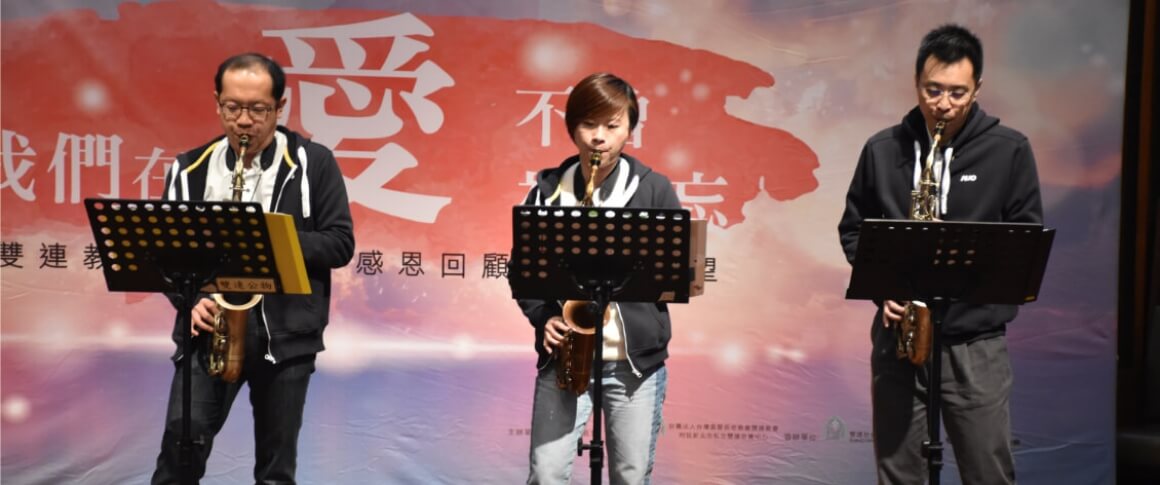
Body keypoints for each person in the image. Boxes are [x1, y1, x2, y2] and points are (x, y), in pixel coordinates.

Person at [838, 24, 1044, 485]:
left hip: (975, 344)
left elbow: (1025, 239)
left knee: (988, 473)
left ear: (977, 89)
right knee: (898, 474)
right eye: (932, 90)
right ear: (916, 83)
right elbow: (854, 229)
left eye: (957, 93)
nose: (943, 105)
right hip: (899, 336)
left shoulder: (1009, 150)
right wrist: (883, 289)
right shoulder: (882, 149)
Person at [151, 52, 355, 484]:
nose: (244, 121)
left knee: (276, 472)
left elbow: (340, 243)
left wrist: (264, 237)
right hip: (210, 330)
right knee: (179, 454)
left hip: (286, 338)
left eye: (258, 109)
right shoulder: (188, 169)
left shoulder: (314, 163)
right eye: (233, 107)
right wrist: (190, 301)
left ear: (280, 107)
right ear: (217, 103)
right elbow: (168, 257)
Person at [517, 72, 682, 484]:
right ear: (572, 127)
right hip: (565, 357)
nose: (599, 138)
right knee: (546, 475)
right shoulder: (547, 191)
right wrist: (543, 317)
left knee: (630, 477)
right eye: (588, 124)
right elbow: (522, 269)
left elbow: (673, 274)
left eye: (612, 125)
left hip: (634, 364)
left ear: (630, 129)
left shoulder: (654, 189)